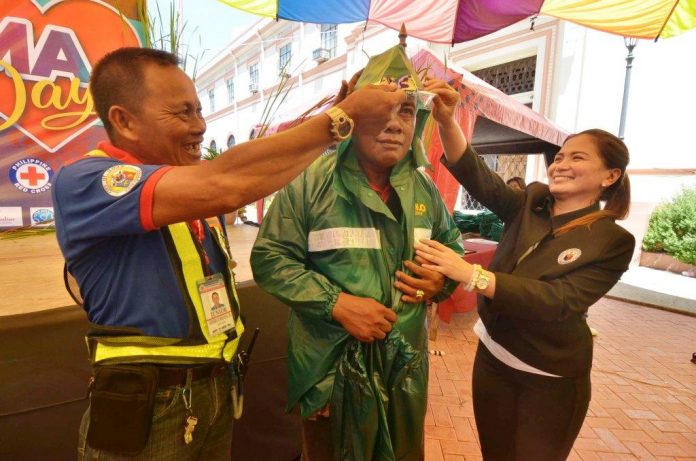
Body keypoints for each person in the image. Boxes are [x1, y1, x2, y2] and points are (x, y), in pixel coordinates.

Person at [51, 47, 406, 460]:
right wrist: (339, 119)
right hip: (149, 403)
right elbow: (229, 183)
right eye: (182, 113)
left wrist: (335, 118)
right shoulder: (87, 180)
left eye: (199, 111)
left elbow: (253, 176)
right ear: (124, 120)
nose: (200, 126)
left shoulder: (189, 186)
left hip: (212, 391)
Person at [250, 46, 464, 460]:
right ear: (350, 109)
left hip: (404, 374)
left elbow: (451, 248)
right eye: (378, 109)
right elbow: (271, 258)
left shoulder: (425, 190)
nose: (393, 125)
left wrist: (441, 281)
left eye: (405, 111)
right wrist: (338, 304)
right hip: (330, 373)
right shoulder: (309, 182)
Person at [414, 78, 635, 461]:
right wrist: (448, 121)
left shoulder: (611, 240)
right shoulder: (532, 201)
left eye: (577, 158)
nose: (562, 164)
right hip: (494, 359)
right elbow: (478, 177)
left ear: (610, 176)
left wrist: (471, 274)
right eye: (561, 156)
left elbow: (558, 301)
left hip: (548, 378)